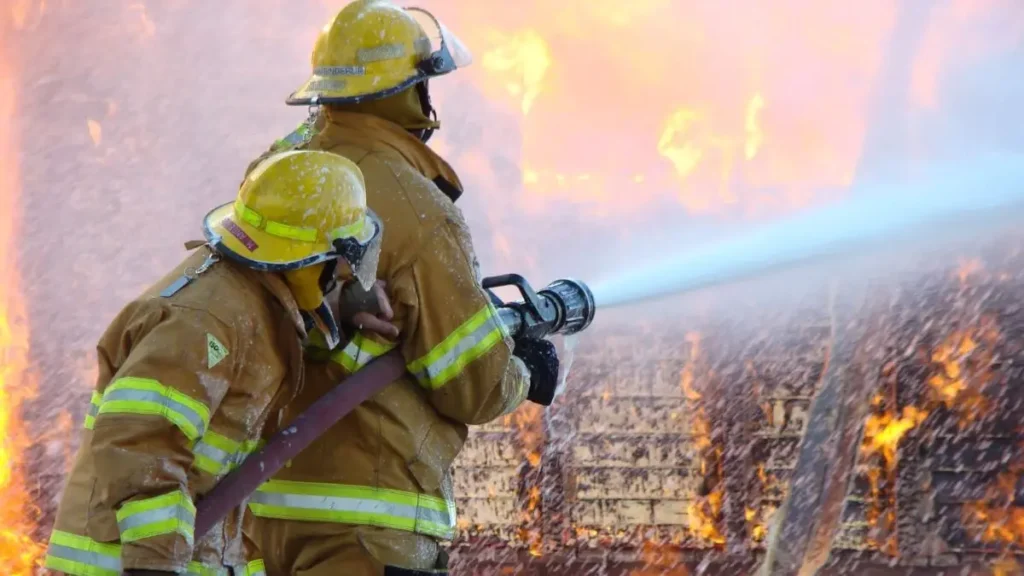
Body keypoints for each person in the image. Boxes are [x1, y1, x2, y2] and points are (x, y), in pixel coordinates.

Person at [244, 1, 562, 574]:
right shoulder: (415, 206)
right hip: (370, 525)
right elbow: (471, 384)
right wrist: (523, 371)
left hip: (259, 514)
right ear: (409, 91)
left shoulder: (278, 171)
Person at [43, 150, 383, 576]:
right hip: (123, 565)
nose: (343, 271)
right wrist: (154, 566)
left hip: (186, 556)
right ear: (305, 261)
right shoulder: (208, 320)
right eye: (338, 260)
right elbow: (141, 439)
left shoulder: (249, 299)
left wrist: (342, 308)